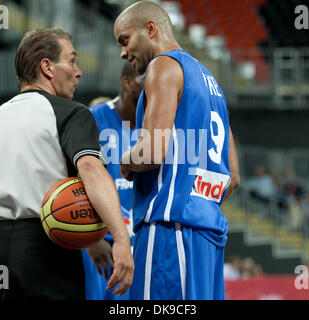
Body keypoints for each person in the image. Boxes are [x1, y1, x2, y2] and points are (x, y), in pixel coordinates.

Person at [0, 28, 133, 300]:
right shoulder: (72, 112)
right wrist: (120, 239)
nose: (78, 71)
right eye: (71, 60)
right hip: (48, 248)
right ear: (47, 67)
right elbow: (92, 172)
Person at [114, 1, 240, 300]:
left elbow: (153, 151)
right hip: (208, 234)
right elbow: (233, 177)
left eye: (125, 40)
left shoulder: (164, 65)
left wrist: (125, 160)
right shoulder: (212, 83)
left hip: (169, 230)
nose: (122, 52)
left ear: (150, 28)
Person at [82, 61, 143, 300]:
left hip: (141, 244)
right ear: (127, 83)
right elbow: (74, 182)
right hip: (103, 245)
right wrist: (91, 240)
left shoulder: (157, 123)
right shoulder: (92, 119)